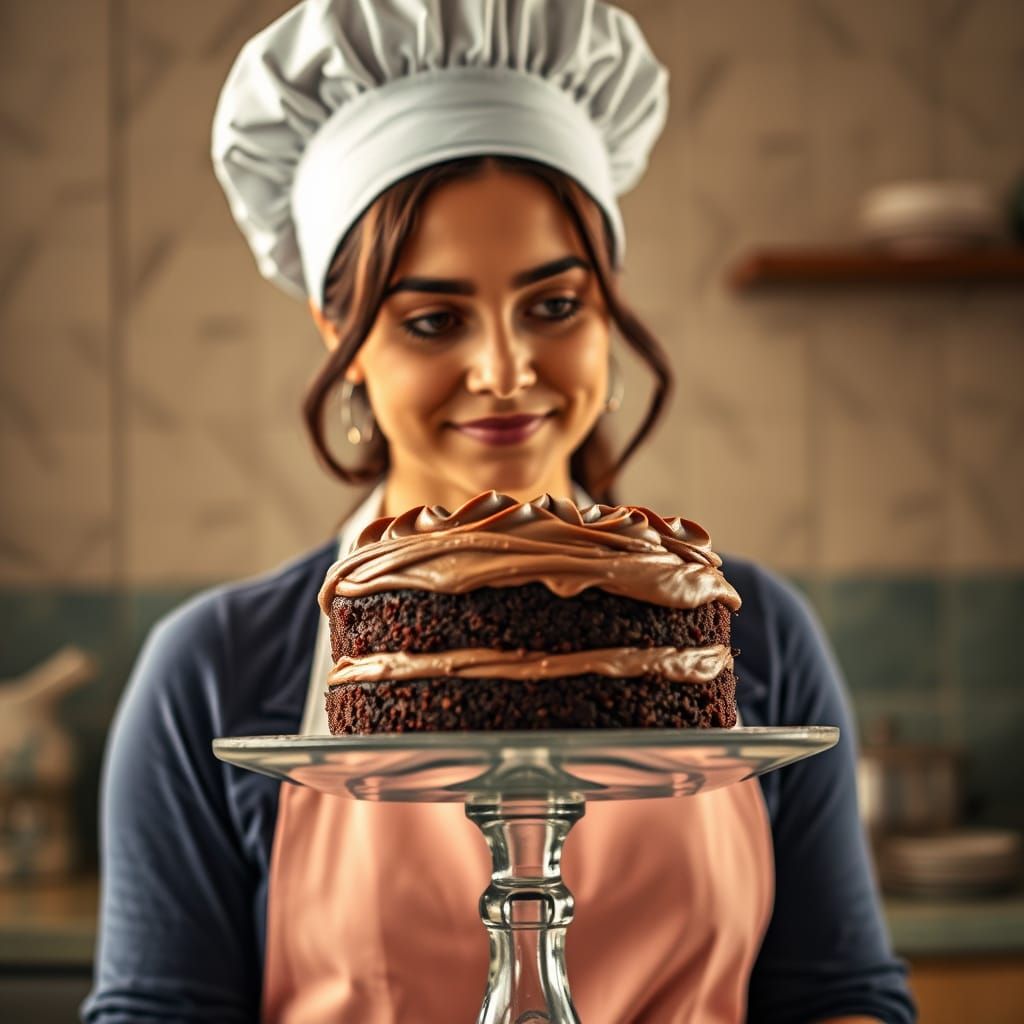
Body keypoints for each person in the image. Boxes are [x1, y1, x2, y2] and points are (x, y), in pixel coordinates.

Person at [83, 1, 916, 1021]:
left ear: (607, 305)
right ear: (339, 335)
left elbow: (840, 994)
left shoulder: (754, 632)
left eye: (554, 305)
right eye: (434, 319)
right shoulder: (213, 673)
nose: (506, 369)